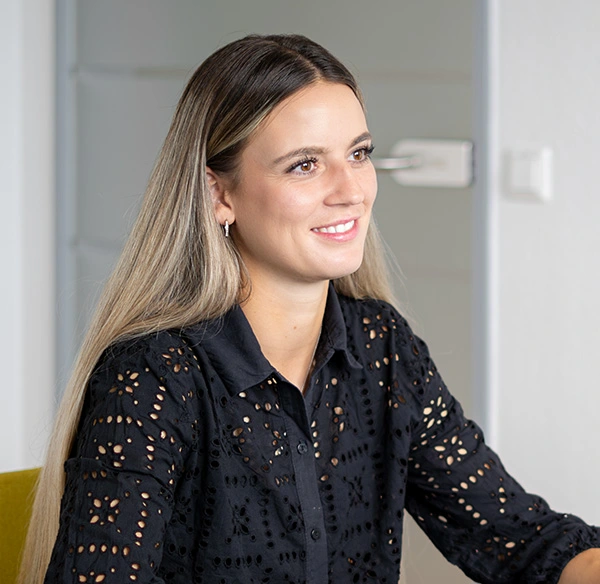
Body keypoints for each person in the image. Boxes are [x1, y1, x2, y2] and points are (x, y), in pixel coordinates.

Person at [19, 34, 599, 584]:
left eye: (359, 154)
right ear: (219, 194)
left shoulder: (382, 348)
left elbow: (525, 541)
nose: (351, 190)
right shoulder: (154, 375)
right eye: (305, 164)